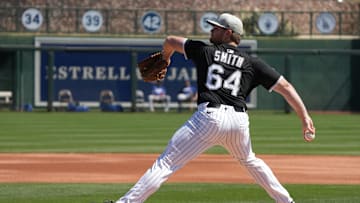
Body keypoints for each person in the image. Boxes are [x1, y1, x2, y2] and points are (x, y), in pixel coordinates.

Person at [114, 13, 315, 203]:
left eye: (216, 28)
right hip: (238, 122)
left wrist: (166, 58)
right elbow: (286, 87)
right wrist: (304, 117)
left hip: (208, 118)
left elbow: (170, 40)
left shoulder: (205, 50)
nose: (211, 31)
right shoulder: (253, 63)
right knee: (250, 161)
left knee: (166, 163)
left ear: (228, 32)